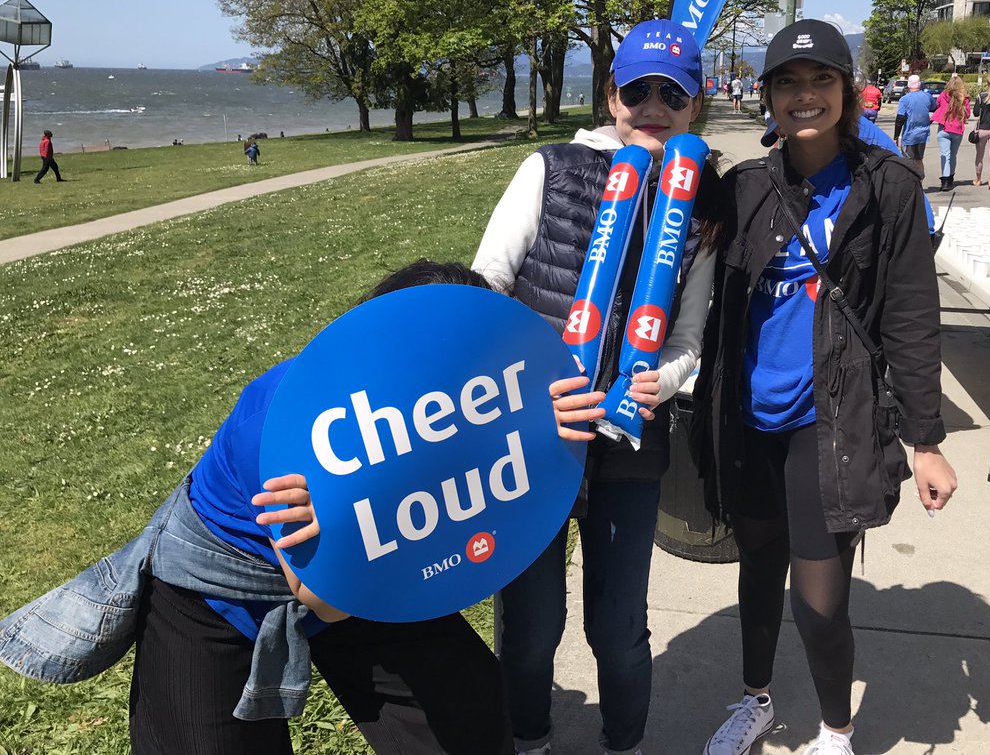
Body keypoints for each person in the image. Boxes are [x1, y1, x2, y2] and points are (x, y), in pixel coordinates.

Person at [0, 260, 623, 754]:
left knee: (472, 717)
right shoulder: (291, 422)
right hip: (221, 589)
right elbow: (320, 594)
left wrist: (550, 432)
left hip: (370, 561)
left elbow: (485, 501)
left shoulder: (472, 398)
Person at [693, 19, 956, 755]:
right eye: (787, 83)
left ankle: (836, 733)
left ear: (846, 90)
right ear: (769, 94)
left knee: (819, 602)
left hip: (829, 423)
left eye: (820, 82)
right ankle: (755, 702)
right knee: (755, 576)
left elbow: (911, 317)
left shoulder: (889, 189)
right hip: (748, 420)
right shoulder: (742, 187)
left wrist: (925, 439)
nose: (803, 96)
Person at [472, 18, 724, 755]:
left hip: (629, 448)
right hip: (534, 438)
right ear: (611, 95)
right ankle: (529, 739)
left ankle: (624, 745)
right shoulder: (550, 169)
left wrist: (660, 385)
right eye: (636, 89)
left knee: (619, 630)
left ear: (694, 106)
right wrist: (526, 391)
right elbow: (486, 289)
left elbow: (689, 341)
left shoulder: (704, 207)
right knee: (529, 626)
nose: (652, 106)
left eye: (670, 95)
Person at [929, 76, 970, 192]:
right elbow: (967, 114)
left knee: (945, 155)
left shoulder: (943, 95)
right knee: (953, 155)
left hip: (944, 128)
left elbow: (937, 105)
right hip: (957, 129)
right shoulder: (964, 98)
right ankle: (951, 176)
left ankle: (945, 180)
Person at [893, 74, 932, 179]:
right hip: (923, 134)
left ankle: (911, 183)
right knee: (919, 159)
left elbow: (900, 119)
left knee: (908, 161)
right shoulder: (927, 97)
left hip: (910, 134)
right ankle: (920, 181)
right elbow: (934, 107)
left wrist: (896, 137)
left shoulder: (904, 99)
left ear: (909, 85)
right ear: (920, 84)